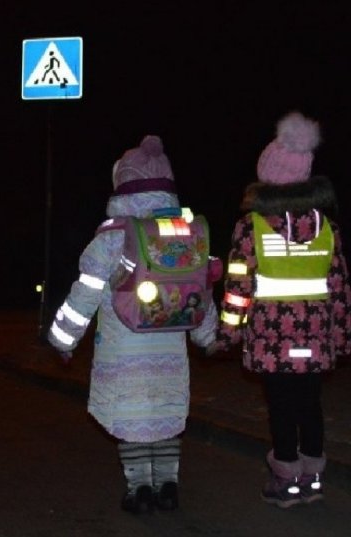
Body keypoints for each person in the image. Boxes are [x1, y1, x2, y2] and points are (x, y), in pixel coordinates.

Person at [47, 135, 218, 514]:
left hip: (124, 347)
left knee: (133, 419)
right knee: (165, 415)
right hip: (170, 345)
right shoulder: (185, 233)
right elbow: (199, 289)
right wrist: (208, 335)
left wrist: (63, 338)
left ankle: (139, 488)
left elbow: (84, 295)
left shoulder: (112, 238)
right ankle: (169, 484)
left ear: (121, 186)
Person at [207, 111, 351, 508]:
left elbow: (238, 286)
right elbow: (339, 288)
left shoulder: (251, 226)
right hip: (316, 337)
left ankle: (285, 478)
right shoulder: (327, 227)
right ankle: (312, 476)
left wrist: (228, 331)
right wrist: (343, 336)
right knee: (310, 405)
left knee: (282, 407)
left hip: (272, 339)